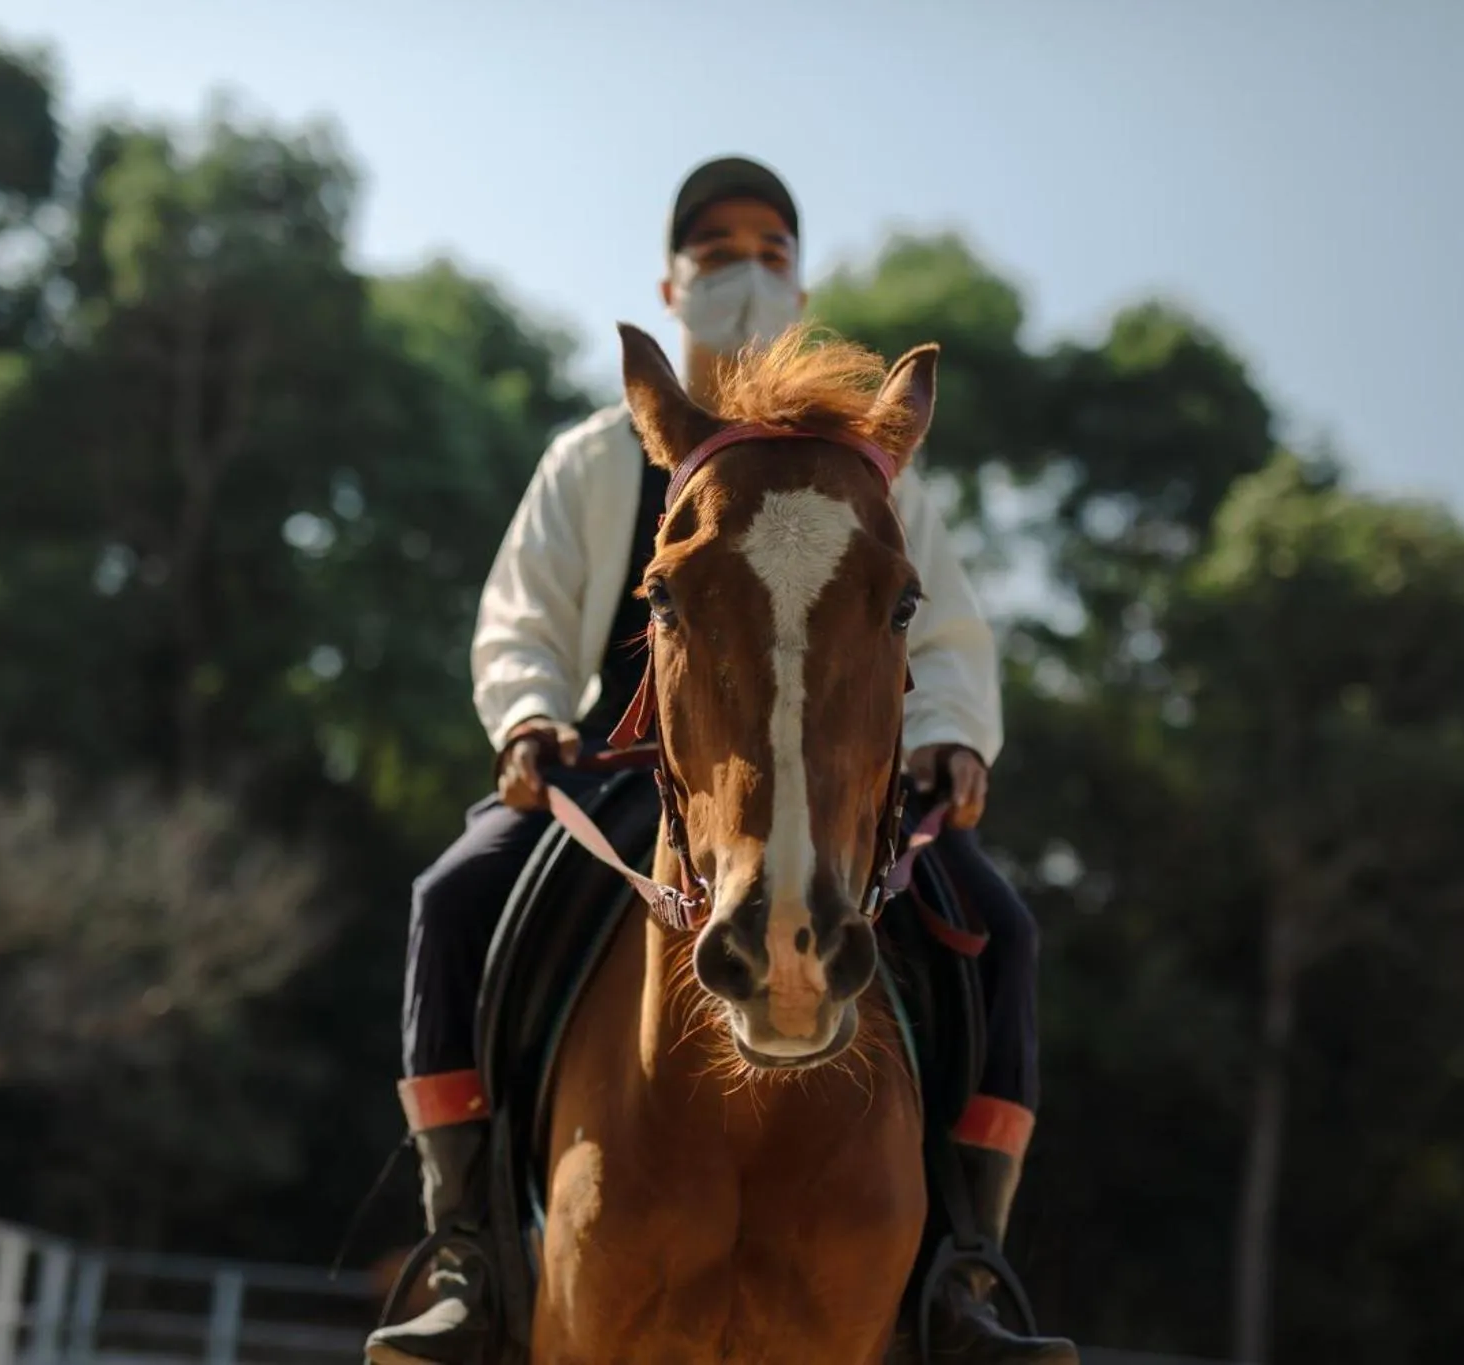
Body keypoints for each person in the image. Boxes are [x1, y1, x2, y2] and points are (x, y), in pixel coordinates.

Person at [367, 156, 1077, 1365]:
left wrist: (951, 732)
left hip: (838, 779)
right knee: (450, 900)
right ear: (670, 280)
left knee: (997, 930)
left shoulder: (875, 479)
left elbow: (941, 625)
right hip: (611, 771)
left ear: (796, 287)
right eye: (713, 249)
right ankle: (473, 1256)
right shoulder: (597, 456)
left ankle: (962, 1271)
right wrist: (530, 716)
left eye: (767, 247)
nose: (741, 266)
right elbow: (524, 616)